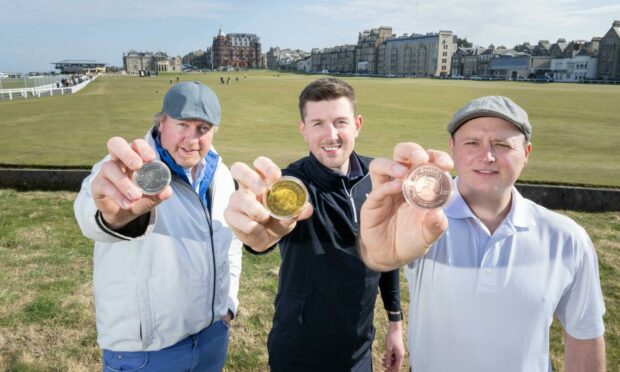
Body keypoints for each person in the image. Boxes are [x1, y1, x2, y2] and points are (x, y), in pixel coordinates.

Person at [358, 96, 606, 371]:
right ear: (452, 149)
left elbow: (585, 333)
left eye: (502, 145)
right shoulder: (420, 220)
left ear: (527, 153)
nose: (487, 156)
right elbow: (377, 258)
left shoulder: (566, 238)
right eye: (472, 143)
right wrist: (376, 249)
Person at [224, 77, 405, 371]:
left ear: (357, 125)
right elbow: (263, 234)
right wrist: (256, 232)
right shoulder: (289, 187)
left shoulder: (377, 180)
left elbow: (387, 256)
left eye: (340, 122)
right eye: (318, 123)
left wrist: (395, 323)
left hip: (358, 351)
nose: (330, 134)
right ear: (303, 129)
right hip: (299, 352)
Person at [74, 81, 242, 371]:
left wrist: (227, 306)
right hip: (148, 353)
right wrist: (112, 216)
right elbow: (93, 212)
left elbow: (230, 243)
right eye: (183, 125)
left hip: (212, 339)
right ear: (162, 122)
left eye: (203, 128)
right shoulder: (131, 170)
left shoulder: (221, 173)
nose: (192, 139)